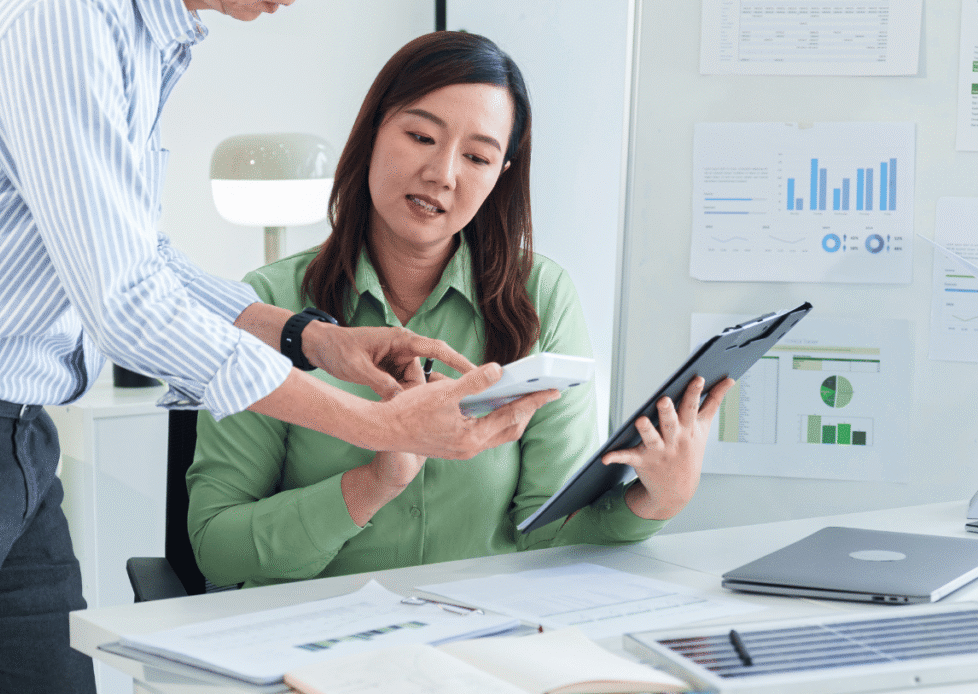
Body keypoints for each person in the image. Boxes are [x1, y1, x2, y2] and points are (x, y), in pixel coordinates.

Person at [0, 0, 552, 694]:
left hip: (13, 438)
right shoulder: (67, 5)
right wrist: (375, 421)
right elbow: (124, 305)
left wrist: (313, 338)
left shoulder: (135, 13)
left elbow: (137, 254)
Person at [187, 31, 733, 588]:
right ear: (373, 131)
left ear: (501, 174)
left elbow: (551, 533)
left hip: (486, 628)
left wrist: (658, 498)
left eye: (477, 157)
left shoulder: (541, 296)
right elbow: (219, 550)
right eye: (421, 136)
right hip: (314, 632)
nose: (443, 174)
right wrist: (376, 481)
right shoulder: (271, 307)